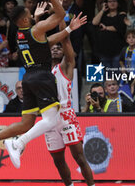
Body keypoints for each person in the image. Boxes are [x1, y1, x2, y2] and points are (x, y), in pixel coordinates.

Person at [0, 0, 68, 169]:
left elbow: (42, 42)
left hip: (28, 77)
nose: (32, 15)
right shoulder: (35, 29)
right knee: (51, 119)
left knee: (26, 123)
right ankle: (18, 143)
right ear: (23, 20)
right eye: (29, 14)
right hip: (41, 75)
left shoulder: (20, 35)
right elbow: (61, 14)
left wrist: (47, 21)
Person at [49, 34, 95, 186]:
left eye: (58, 48)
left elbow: (66, 42)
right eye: (52, 48)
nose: (55, 49)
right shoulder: (41, 70)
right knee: (57, 161)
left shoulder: (65, 65)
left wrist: (64, 28)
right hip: (49, 118)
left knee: (80, 158)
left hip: (65, 115)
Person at [93, 0, 127, 69]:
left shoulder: (121, 15)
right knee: (107, 77)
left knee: (116, 74)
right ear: (106, 3)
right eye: (110, 1)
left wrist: (106, 28)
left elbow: (119, 27)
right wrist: (102, 10)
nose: (112, 3)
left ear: (118, 3)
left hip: (117, 51)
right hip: (104, 51)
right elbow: (94, 22)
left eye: (114, 1)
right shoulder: (103, 16)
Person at [119, 29, 135, 94]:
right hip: (126, 77)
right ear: (126, 40)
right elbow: (120, 60)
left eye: (133, 37)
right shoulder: (124, 50)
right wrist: (122, 66)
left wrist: (133, 84)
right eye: (129, 38)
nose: (131, 39)